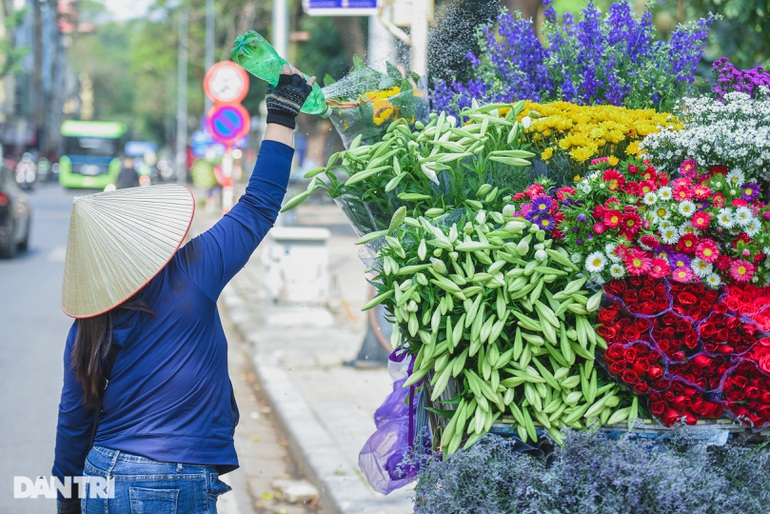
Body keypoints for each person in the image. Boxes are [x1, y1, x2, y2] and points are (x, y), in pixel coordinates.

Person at [53, 66, 314, 514]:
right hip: (169, 482)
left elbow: (74, 420)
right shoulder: (194, 267)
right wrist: (283, 110)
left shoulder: (90, 318)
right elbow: (259, 204)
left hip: (101, 473)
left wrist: (67, 501)